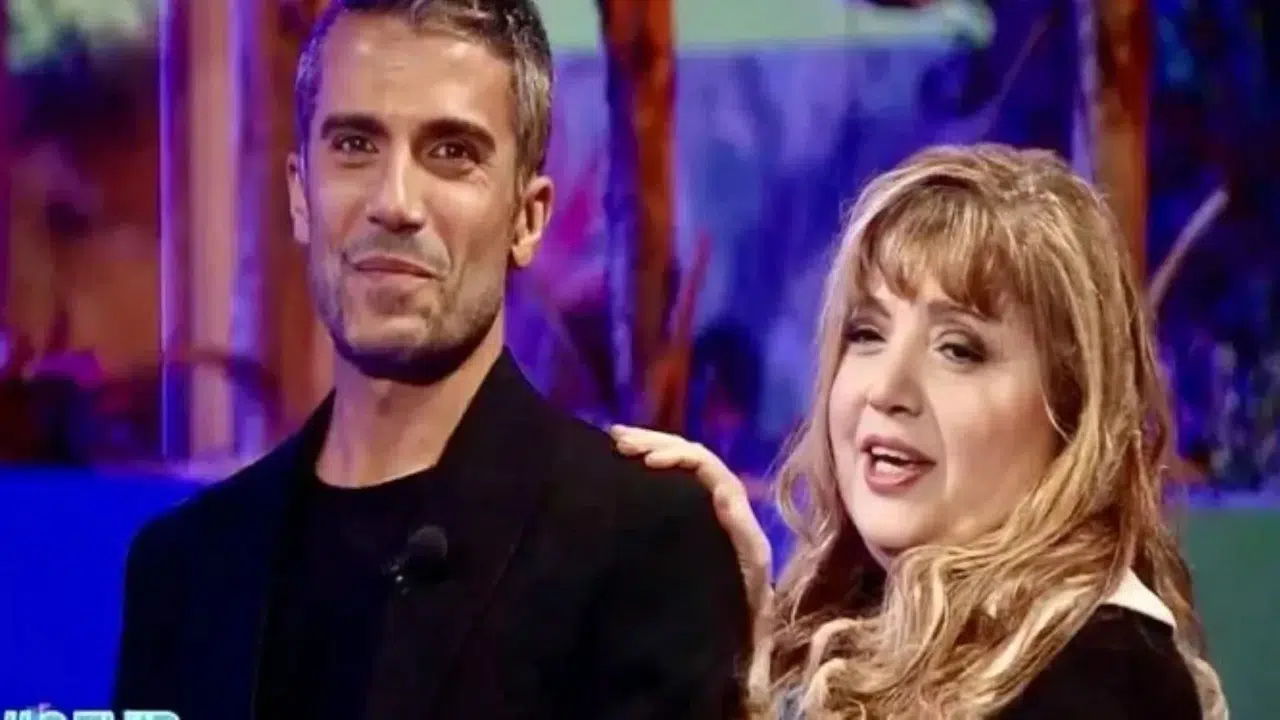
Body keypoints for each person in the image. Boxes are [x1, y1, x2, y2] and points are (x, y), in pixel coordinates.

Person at [111, 2, 750, 718]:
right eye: (356, 144)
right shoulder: (183, 568)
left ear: (528, 217)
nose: (395, 203)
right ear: (300, 194)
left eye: (451, 152)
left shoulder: (647, 544)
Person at [612, 144, 1228, 718]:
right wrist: (737, 642)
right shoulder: (853, 629)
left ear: (1070, 411)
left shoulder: (1109, 678)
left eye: (958, 349)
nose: (887, 389)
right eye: (867, 334)